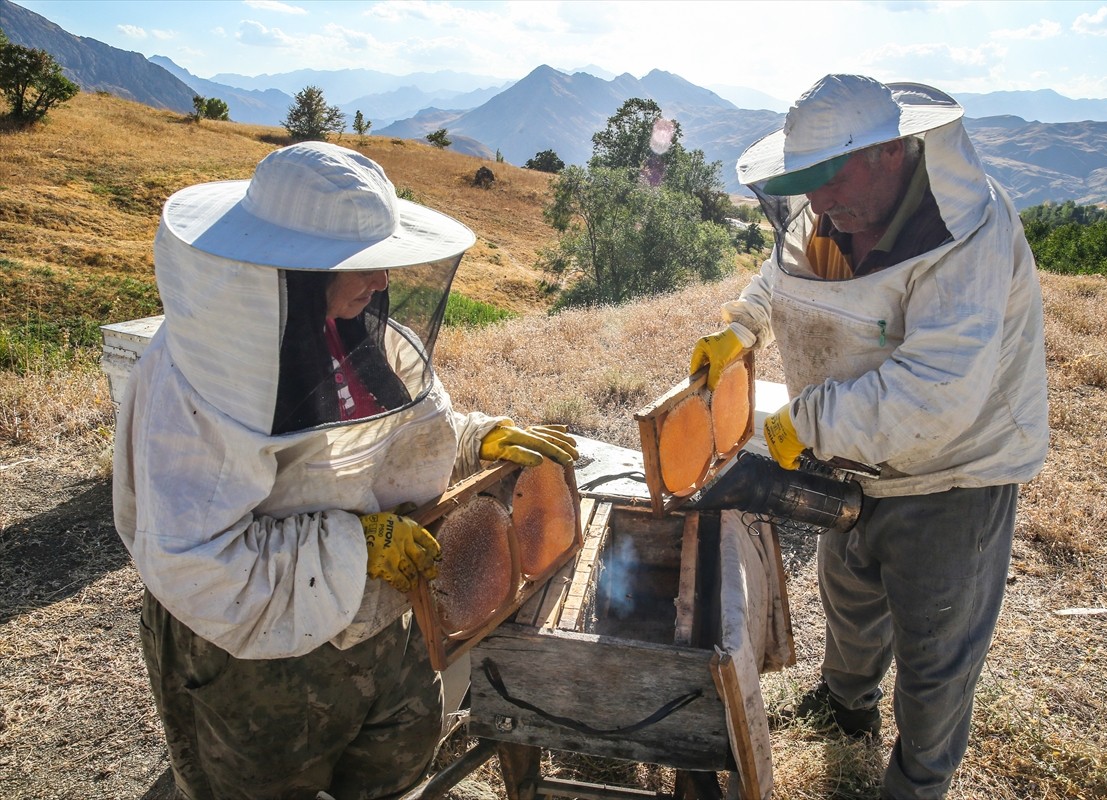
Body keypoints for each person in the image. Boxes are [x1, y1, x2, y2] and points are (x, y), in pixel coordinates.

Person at [112, 141, 576, 800]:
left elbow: (380, 444)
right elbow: (194, 560)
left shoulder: (364, 329)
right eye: (360, 265)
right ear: (295, 269)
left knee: (390, 778)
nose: (383, 281)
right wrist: (356, 546)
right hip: (253, 660)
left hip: (387, 624)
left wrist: (475, 440)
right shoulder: (197, 382)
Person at [690, 74, 1049, 800]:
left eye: (829, 177)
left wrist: (809, 422)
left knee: (936, 646)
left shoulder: (968, 230)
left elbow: (936, 391)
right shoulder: (835, 206)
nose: (820, 203)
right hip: (852, 459)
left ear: (891, 151)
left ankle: (916, 782)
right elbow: (784, 273)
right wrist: (741, 325)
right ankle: (845, 707)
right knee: (850, 591)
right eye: (807, 184)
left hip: (954, 473)